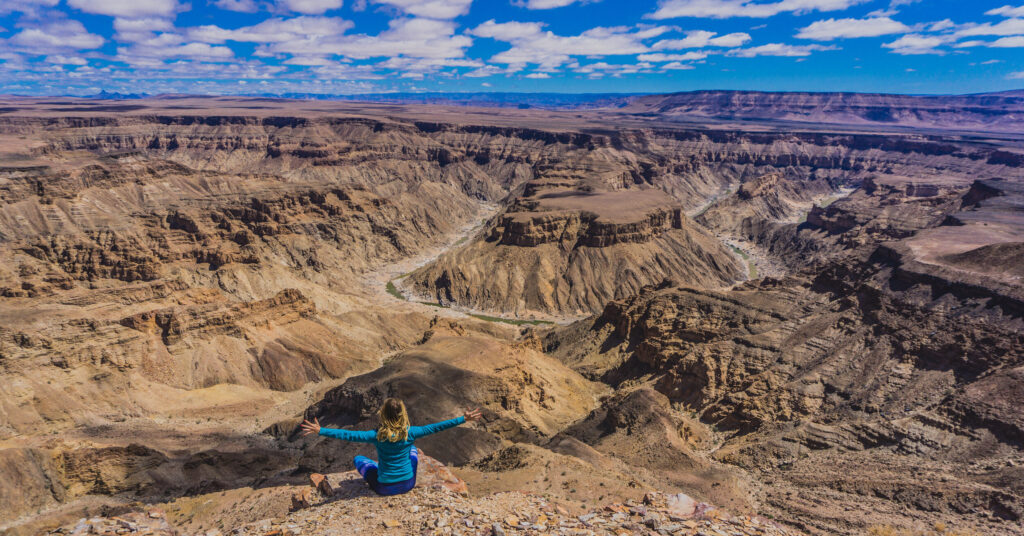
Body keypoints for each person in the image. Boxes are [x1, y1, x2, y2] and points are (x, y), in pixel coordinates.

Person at [300, 398, 482, 496]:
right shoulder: (410, 433)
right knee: (413, 451)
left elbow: (347, 434)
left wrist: (320, 430)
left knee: (359, 460)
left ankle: (381, 470)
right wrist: (464, 419)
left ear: (383, 415)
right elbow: (437, 427)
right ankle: (398, 463)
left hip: (383, 488)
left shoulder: (376, 436)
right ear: (403, 414)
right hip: (408, 484)